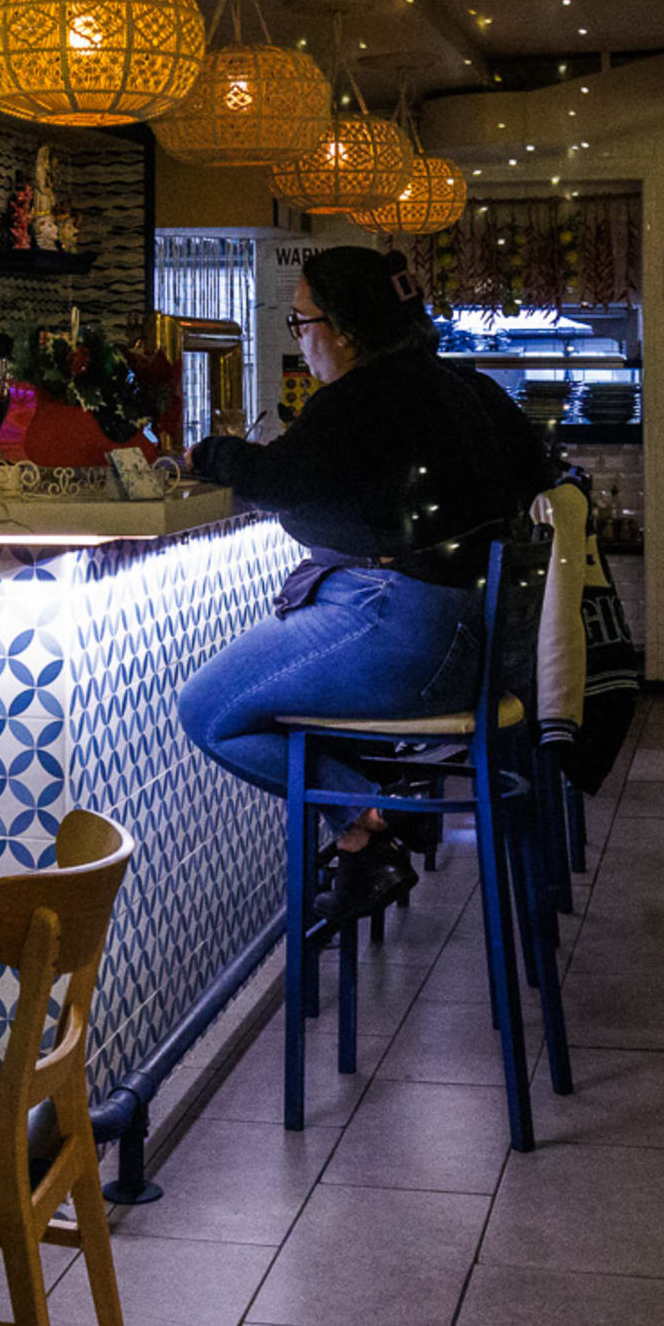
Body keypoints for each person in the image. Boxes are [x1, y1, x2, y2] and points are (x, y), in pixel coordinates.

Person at [175, 245, 556, 919]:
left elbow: (275, 481)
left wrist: (209, 453)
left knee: (205, 710)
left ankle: (367, 823)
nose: (304, 341)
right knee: (295, 710)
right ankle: (363, 840)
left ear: (344, 329)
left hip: (412, 637)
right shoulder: (466, 385)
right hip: (488, 647)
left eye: (301, 322)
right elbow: (532, 471)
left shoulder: (363, 396)